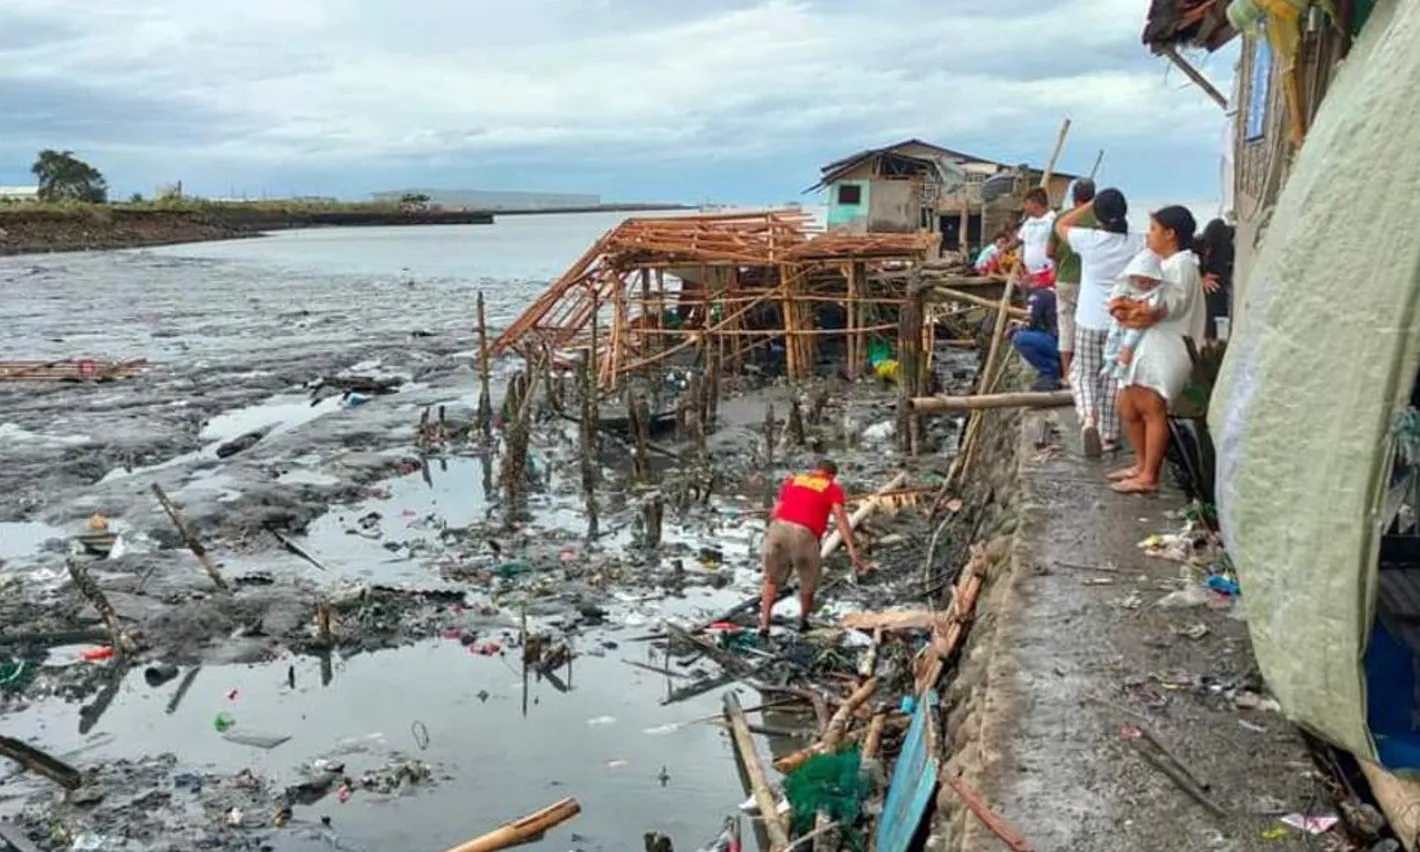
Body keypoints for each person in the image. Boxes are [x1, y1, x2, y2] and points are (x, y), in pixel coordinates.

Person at [1107, 206, 1207, 494]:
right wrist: (1127, 309)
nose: (1149, 235)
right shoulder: (1164, 265)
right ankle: (1141, 465)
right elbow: (1133, 304)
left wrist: (1130, 311)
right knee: (1127, 405)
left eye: (1153, 228)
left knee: (1151, 407)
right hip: (1148, 344)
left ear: (1170, 233)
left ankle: (1149, 474)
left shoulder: (1181, 265)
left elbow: (1154, 311)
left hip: (1167, 345)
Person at [1053, 188, 1147, 457]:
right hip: (1119, 322)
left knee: (1081, 373)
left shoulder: (1089, 239)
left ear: (1098, 215)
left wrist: (1090, 204)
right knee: (1111, 378)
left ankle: (1088, 418)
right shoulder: (1136, 242)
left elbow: (1061, 224)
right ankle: (1109, 436)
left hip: (1088, 319)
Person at [759, 459, 868, 636]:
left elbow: (776, 511)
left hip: (777, 528)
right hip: (804, 535)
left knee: (771, 580)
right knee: (808, 582)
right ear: (832, 475)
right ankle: (803, 622)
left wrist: (770, 534)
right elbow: (840, 516)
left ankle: (764, 624)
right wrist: (851, 548)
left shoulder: (793, 480)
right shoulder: (832, 488)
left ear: (815, 470)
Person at [1046, 179, 1097, 381]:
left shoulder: (1062, 219)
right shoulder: (1101, 220)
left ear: (1074, 197)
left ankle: (1067, 374)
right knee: (1089, 326)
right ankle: (1089, 372)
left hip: (1066, 280)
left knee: (1066, 325)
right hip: (1091, 282)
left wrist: (1061, 258)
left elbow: (1049, 252)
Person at [1101, 250, 1165, 381]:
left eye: (1149, 282)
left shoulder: (1154, 293)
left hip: (1137, 323)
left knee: (1129, 343)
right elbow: (1115, 299)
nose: (1145, 285)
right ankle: (1110, 360)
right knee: (1113, 336)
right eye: (1141, 282)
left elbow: (1152, 308)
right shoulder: (1124, 287)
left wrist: (1136, 310)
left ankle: (1123, 366)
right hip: (1122, 319)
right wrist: (1117, 310)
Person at [1010, 278, 1061, 390]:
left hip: (1058, 343)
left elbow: (1029, 323)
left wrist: (1012, 330)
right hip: (1066, 342)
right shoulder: (1052, 293)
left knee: (1020, 338)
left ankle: (1050, 371)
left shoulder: (1037, 297)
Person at [1195, 218, 1235, 340]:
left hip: (1218, 288)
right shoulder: (1197, 245)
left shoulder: (1226, 249)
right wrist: (1200, 278)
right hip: (1207, 288)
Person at [1017, 187, 1056, 283]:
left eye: (1026, 204)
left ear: (1035, 204)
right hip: (1030, 273)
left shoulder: (1053, 222)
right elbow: (1018, 240)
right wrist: (1003, 249)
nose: (1024, 207)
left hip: (1048, 273)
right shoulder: (1028, 222)